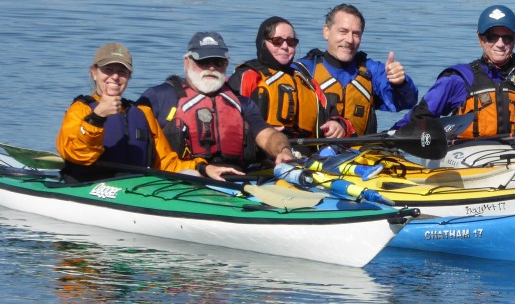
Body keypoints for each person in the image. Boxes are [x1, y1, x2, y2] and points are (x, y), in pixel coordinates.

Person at [392, 4, 515, 138]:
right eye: (492, 37)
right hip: (468, 158)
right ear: (480, 38)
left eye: (507, 37)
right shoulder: (459, 80)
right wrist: (391, 140)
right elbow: (420, 116)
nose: (500, 44)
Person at [57, 42, 239, 183]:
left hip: (135, 188)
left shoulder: (142, 113)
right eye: (108, 70)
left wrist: (203, 168)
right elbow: (77, 155)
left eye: (122, 71)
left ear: (129, 76)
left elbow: (166, 163)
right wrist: (97, 118)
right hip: (91, 186)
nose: (115, 77)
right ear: (94, 73)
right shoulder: (80, 110)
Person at [138, 31, 298, 170]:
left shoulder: (242, 103)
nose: (212, 67)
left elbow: (267, 135)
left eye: (218, 62)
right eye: (203, 61)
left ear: (227, 63)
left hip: (234, 179)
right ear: (187, 62)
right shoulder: (160, 97)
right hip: (182, 178)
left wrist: (282, 150)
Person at [294, 4, 418, 135]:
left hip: (360, 152)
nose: (349, 40)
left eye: (356, 34)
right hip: (314, 151)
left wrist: (400, 83)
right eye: (343, 31)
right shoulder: (304, 70)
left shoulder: (372, 71)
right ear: (326, 32)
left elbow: (408, 102)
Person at [228, 16, 352, 140]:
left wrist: (338, 124)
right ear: (262, 43)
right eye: (277, 41)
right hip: (261, 152)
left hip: (305, 154)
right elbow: (227, 119)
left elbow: (333, 114)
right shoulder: (247, 76)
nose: (285, 46)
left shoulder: (307, 81)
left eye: (291, 42)